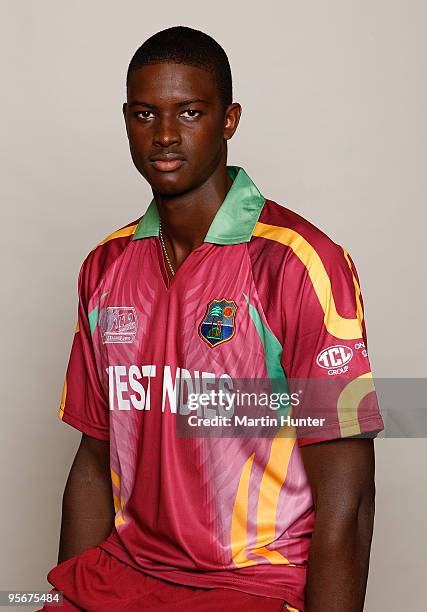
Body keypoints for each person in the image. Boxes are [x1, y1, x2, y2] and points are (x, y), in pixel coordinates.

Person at [39, 26, 384, 612]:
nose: (166, 136)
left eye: (190, 112)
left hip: (251, 586)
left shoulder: (296, 263)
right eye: (145, 114)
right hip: (127, 574)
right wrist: (71, 590)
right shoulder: (105, 267)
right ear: (126, 120)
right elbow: (94, 462)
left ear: (229, 119)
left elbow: (349, 497)